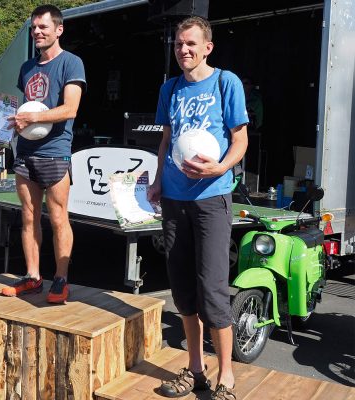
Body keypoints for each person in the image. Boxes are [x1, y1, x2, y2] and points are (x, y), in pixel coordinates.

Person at [147, 17, 248, 400]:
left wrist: (222, 167)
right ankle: (195, 369)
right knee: (183, 289)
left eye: (190, 44)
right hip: (174, 200)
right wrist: (158, 180)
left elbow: (240, 140)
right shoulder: (169, 88)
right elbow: (167, 139)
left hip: (212, 198)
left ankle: (226, 376)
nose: (183, 50)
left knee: (212, 290)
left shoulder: (227, 82)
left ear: (208, 47)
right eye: (177, 44)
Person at [0, 4, 86, 304]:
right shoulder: (26, 68)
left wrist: (32, 119)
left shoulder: (71, 63)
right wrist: (4, 136)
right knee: (29, 217)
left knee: (58, 217)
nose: (37, 32)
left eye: (43, 27)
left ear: (58, 30)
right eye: (34, 27)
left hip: (56, 153)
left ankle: (60, 279)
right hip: (26, 153)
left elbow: (70, 109)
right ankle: (33, 277)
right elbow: (23, 109)